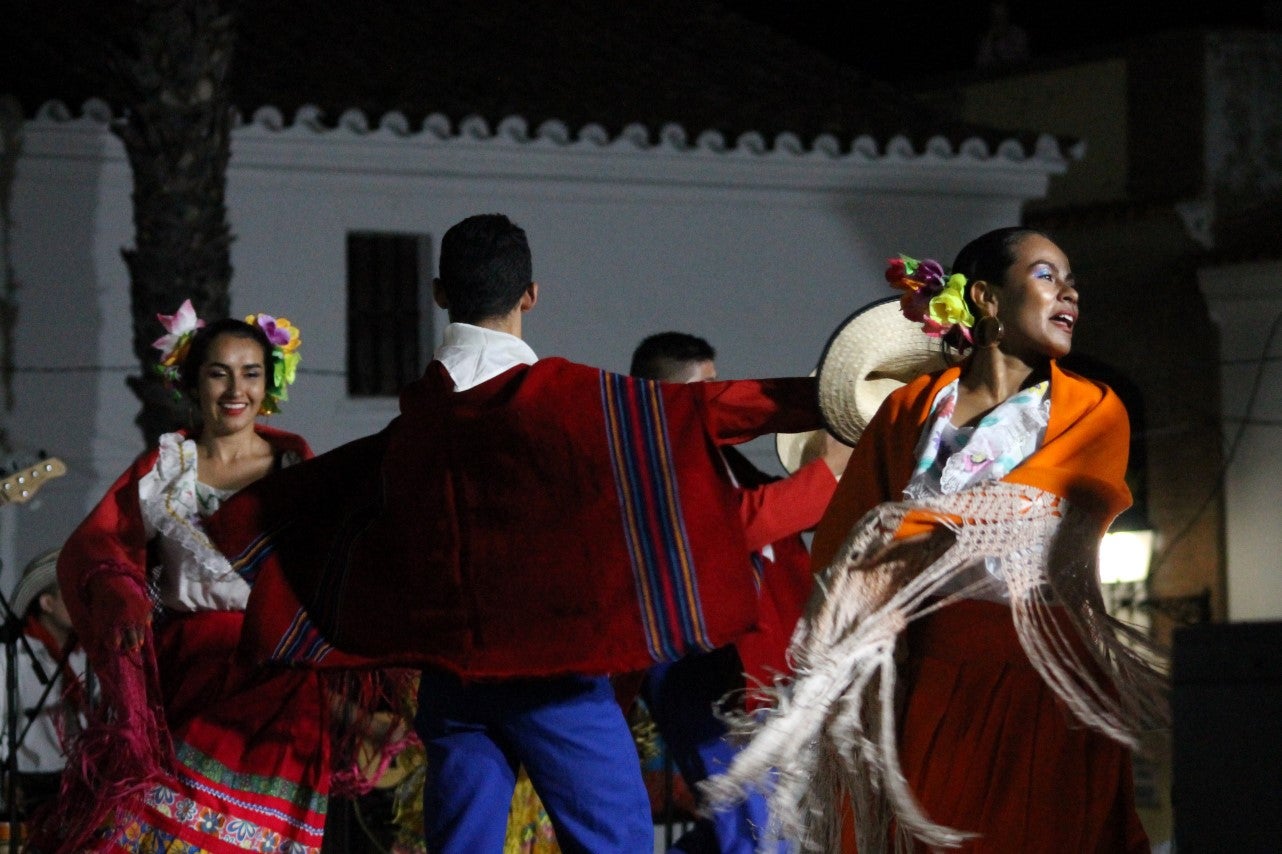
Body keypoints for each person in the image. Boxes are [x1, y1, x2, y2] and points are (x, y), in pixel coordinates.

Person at [203, 213, 824, 854]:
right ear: (531, 294)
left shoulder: (415, 424)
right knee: (620, 844)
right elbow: (714, 408)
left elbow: (330, 509)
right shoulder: (569, 402)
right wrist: (829, 397)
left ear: (441, 293)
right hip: (554, 683)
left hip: (452, 688)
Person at [702, 227, 1168, 852]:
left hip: (1044, 678)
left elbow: (1032, 506)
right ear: (987, 298)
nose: (1071, 293)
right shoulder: (911, 409)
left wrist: (900, 537)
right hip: (926, 674)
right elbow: (846, 542)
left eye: (1071, 278)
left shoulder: (1094, 410)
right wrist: (848, 624)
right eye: (1046, 275)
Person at [31, 304, 395, 853]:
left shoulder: (297, 471)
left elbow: (344, 570)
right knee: (144, 831)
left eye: (251, 372)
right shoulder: (163, 469)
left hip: (279, 682)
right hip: (188, 673)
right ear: (192, 380)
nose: (235, 388)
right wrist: (121, 595)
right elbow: (101, 543)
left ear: (270, 383)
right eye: (219, 371)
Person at [628, 331, 849, 853]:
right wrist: (830, 470)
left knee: (758, 832)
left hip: (766, 672)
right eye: (707, 391)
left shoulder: (725, 463)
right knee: (758, 836)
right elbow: (743, 527)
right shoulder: (651, 467)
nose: (722, 403)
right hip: (703, 672)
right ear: (667, 400)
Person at [0, 548, 90, 822]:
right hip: (27, 785)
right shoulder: (13, 655)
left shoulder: (87, 655)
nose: (82, 603)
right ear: (47, 603)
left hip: (77, 780)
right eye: (71, 596)